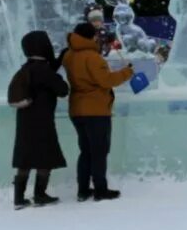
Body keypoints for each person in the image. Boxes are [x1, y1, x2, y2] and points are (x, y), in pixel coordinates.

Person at [62, 20, 134, 201]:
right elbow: (106, 80)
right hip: (95, 109)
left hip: (77, 109)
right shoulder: (92, 57)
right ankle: (101, 189)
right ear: (91, 36)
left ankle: (83, 189)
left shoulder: (69, 55)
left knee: (86, 151)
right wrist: (127, 72)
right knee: (99, 151)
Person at [7, 31, 69, 209]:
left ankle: (19, 199)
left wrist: (56, 63)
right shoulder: (44, 70)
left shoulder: (26, 68)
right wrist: (59, 78)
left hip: (25, 120)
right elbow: (62, 90)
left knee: (25, 159)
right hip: (43, 121)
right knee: (45, 158)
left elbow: (41, 75)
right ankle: (40, 194)